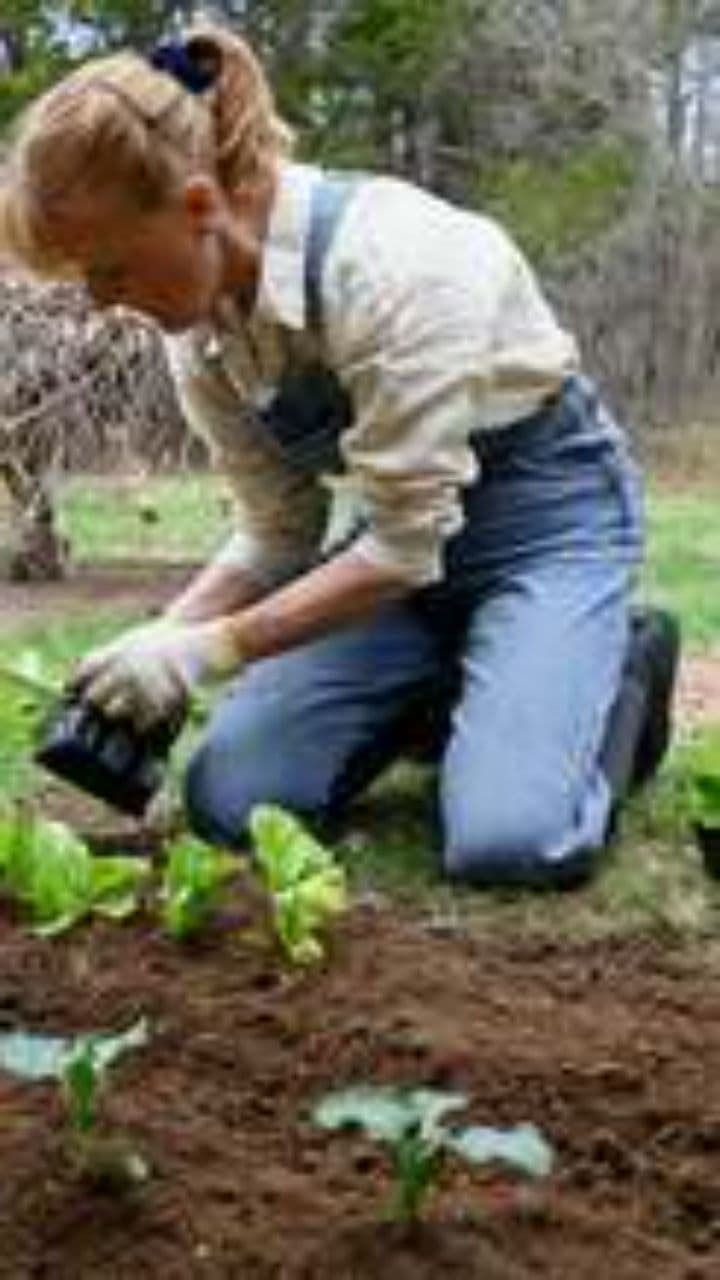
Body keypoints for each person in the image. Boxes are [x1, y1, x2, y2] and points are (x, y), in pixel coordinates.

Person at [0, 23, 680, 886]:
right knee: (233, 797)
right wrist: (165, 634)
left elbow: (402, 548)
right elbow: (279, 535)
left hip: (544, 526)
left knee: (508, 840)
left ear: (200, 207)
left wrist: (207, 653)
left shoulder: (397, 269)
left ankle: (618, 668)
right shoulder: (202, 333)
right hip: (396, 555)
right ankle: (473, 686)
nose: (102, 304)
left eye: (111, 269)